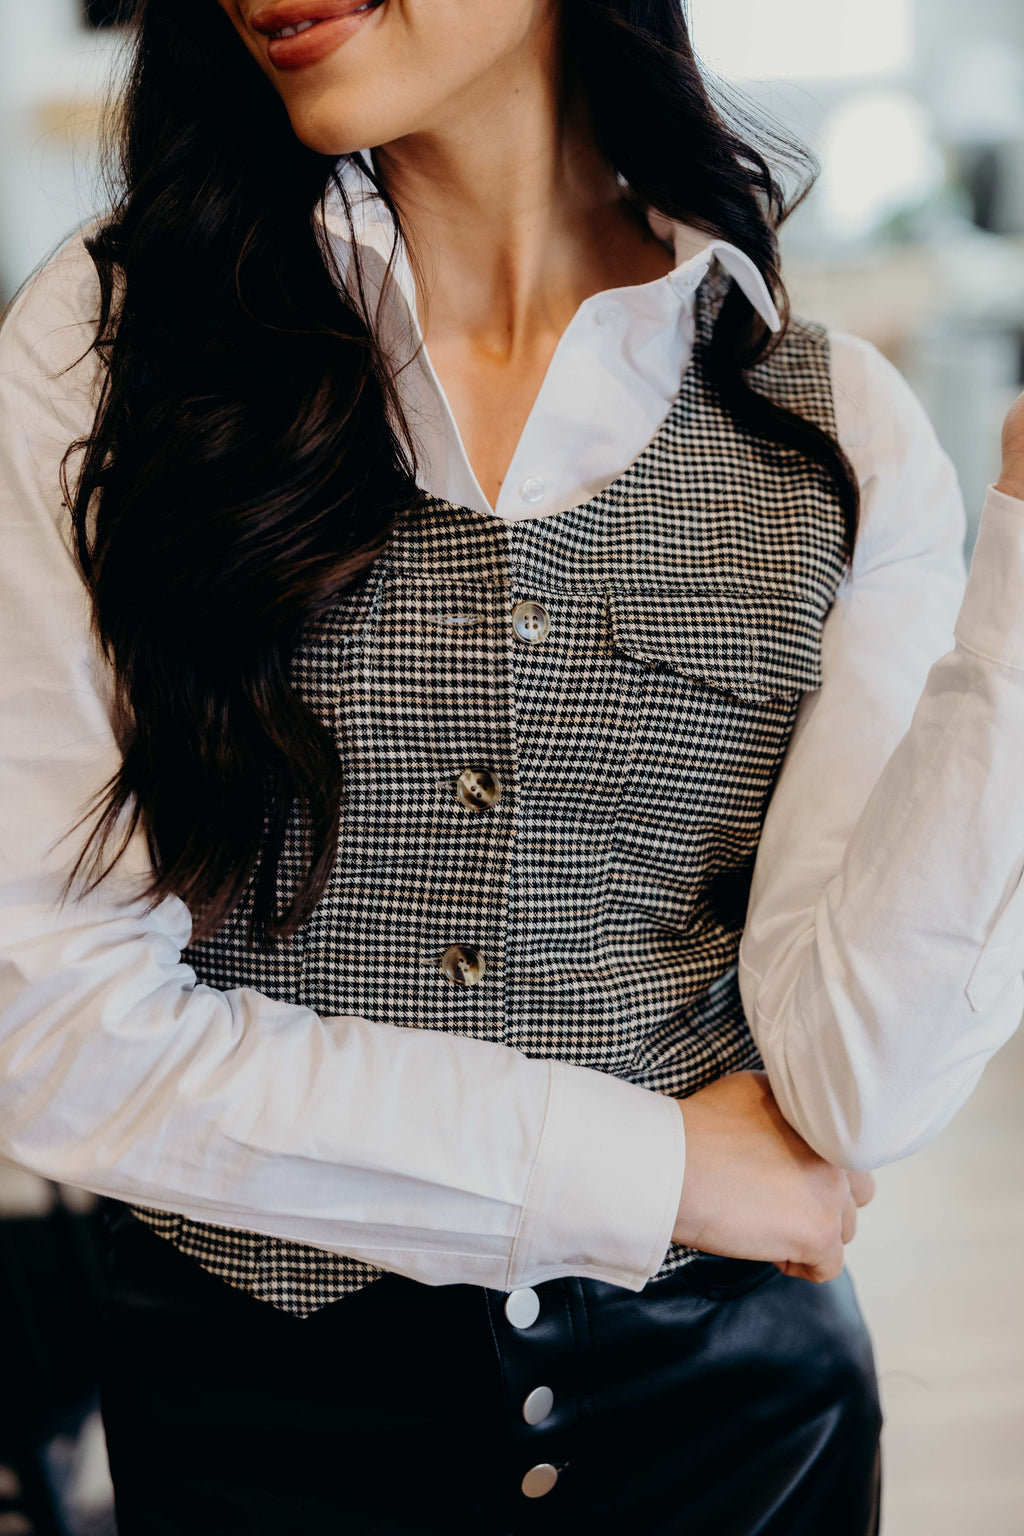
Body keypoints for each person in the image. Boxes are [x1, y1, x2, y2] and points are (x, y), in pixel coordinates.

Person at [1, 0, 1023, 1531]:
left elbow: (857, 1083)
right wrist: (658, 1167)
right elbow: (51, 1022)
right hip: (261, 1441)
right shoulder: (105, 345)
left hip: (741, 1442)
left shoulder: (836, 424)